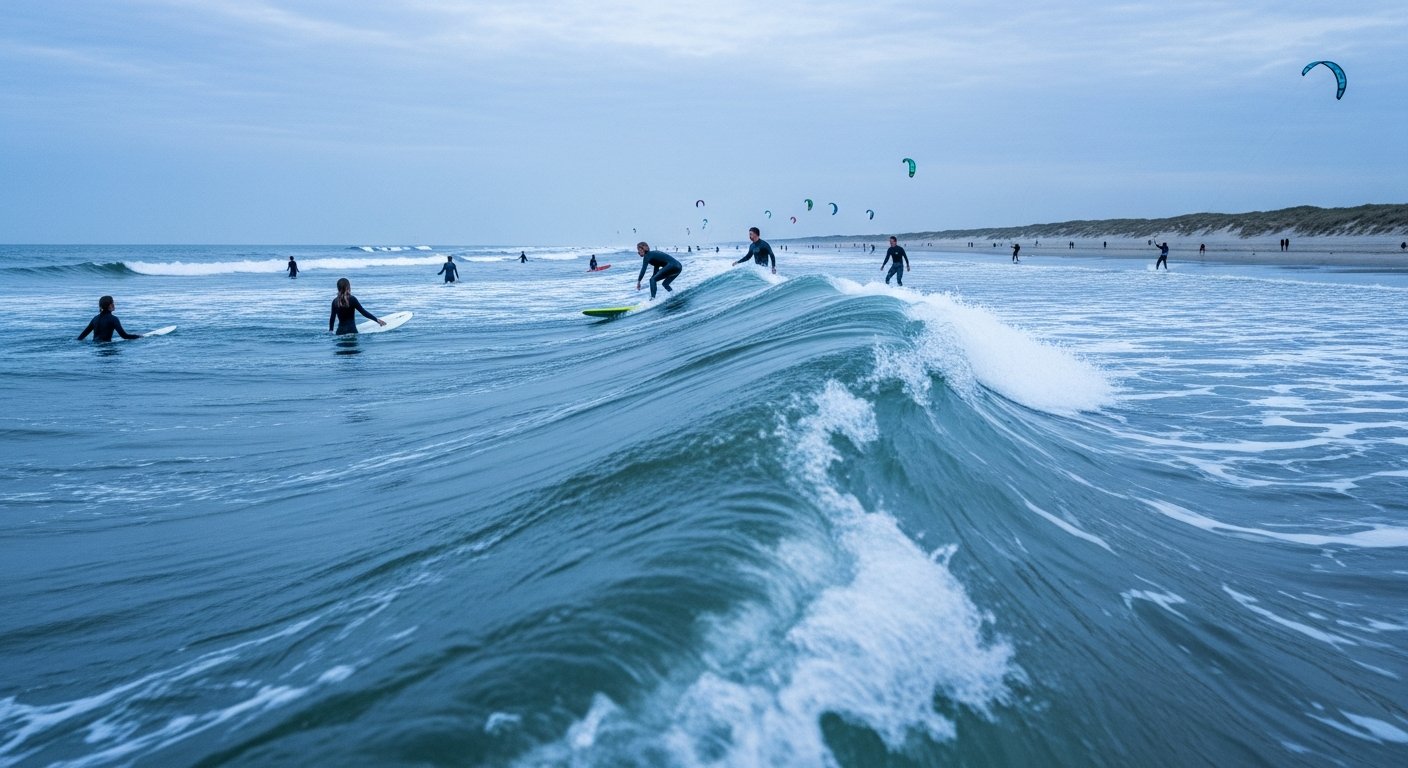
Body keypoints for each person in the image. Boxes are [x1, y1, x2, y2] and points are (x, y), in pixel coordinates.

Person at [77, 295, 143, 341]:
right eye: (113, 302)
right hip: (106, 346)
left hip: (95, 346)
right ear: (110, 305)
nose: (114, 304)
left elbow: (81, 337)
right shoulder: (113, 319)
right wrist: (138, 336)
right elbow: (124, 336)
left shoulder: (95, 318)